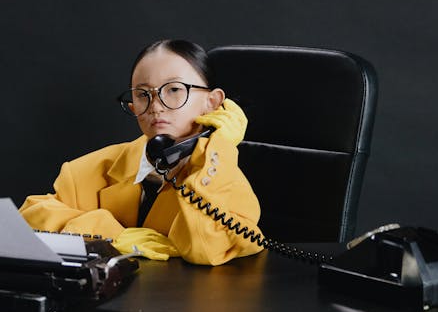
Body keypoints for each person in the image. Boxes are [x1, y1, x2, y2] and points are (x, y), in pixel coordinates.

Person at [19, 39, 264, 266]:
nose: (156, 106)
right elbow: (28, 218)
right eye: (143, 94)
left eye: (174, 90)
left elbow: (207, 249)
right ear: (132, 105)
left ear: (213, 102)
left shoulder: (226, 180)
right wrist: (113, 236)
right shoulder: (86, 170)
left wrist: (218, 148)